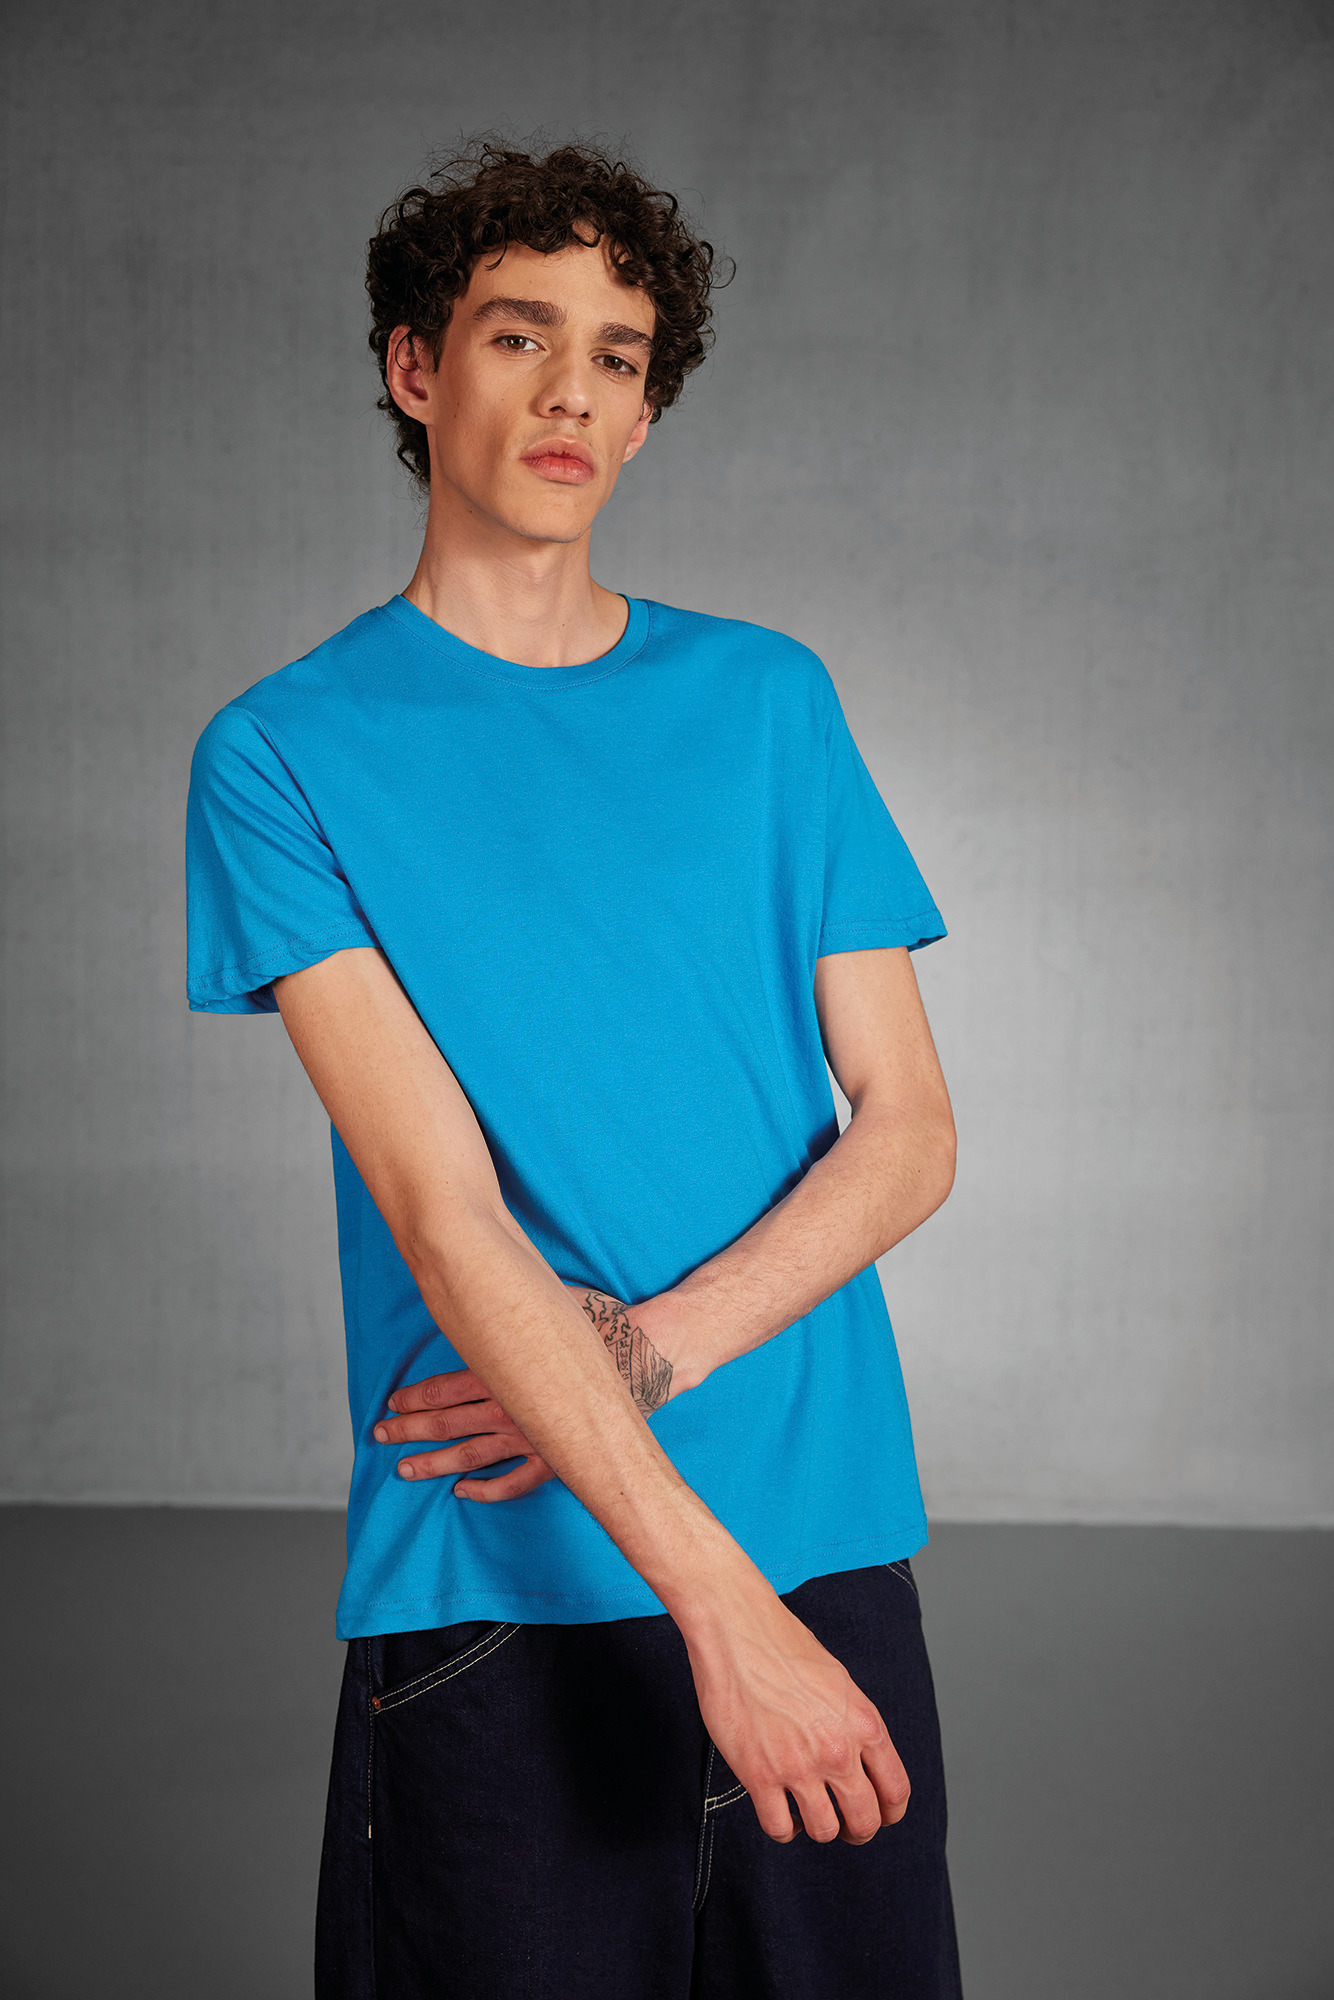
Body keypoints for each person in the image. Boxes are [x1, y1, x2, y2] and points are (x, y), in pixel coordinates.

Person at [186, 138, 963, 1999]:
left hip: (817, 1539)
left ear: (645, 408)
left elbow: (910, 1130)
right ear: (413, 368)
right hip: (499, 1586)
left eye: (616, 356)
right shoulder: (282, 753)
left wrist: (653, 1347)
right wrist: (714, 1608)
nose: (569, 393)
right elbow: (444, 1213)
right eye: (518, 335)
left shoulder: (768, 700)